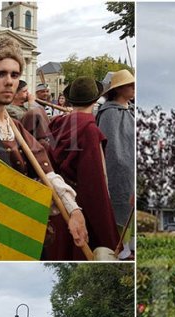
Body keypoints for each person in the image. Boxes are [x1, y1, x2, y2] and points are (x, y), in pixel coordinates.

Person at [0, 37, 89, 257]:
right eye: (0, 74)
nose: (9, 81)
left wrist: (73, 209)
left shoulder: (17, 128)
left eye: (14, 74)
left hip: (27, 233)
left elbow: (47, 172)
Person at [47, 76, 121, 259]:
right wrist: (108, 235)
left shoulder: (57, 123)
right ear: (95, 100)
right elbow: (94, 183)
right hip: (78, 207)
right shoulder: (89, 130)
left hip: (57, 201)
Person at [97, 69, 136, 258]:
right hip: (119, 174)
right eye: (130, 85)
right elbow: (112, 150)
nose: (134, 87)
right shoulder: (110, 114)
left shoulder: (130, 111)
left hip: (132, 173)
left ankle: (131, 247)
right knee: (120, 213)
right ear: (119, 89)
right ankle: (123, 251)